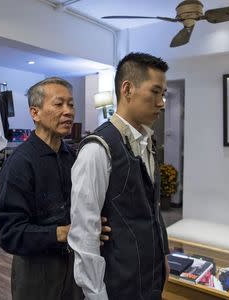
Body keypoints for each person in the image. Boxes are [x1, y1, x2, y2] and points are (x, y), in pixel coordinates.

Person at [68, 52, 171, 300]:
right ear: (127, 89)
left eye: (163, 94)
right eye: (155, 92)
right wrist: (96, 294)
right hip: (119, 284)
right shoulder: (97, 149)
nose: (162, 102)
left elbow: (152, 209)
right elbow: (84, 233)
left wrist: (162, 256)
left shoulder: (148, 142)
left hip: (150, 277)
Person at [0, 77, 109, 300]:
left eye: (71, 104)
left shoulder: (73, 157)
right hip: (37, 275)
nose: (68, 112)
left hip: (74, 269)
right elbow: (8, 233)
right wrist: (61, 232)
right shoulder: (20, 163)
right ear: (35, 113)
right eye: (59, 104)